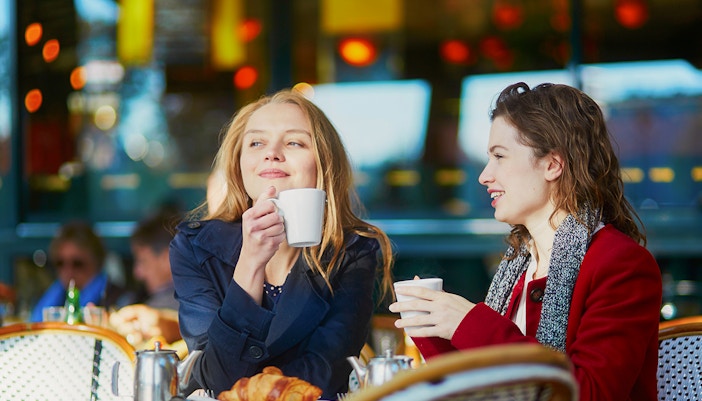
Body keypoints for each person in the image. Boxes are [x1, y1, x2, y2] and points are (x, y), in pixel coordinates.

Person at [390, 82, 662, 400]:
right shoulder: (518, 265)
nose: (484, 175)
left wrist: (470, 322)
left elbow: (590, 392)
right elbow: (479, 387)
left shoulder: (621, 264)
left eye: (499, 156)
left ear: (552, 164)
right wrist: (433, 327)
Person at [169, 89, 395, 398]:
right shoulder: (194, 247)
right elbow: (215, 377)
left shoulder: (352, 252)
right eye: (257, 142)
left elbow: (325, 374)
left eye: (294, 142)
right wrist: (250, 262)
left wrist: (252, 387)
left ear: (324, 163)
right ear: (239, 164)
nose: (271, 153)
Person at [30, 220, 131, 322]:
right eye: (60, 263)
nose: (68, 271)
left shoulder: (119, 301)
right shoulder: (53, 299)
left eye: (77, 263)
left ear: (96, 262)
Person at [109, 212, 182, 347]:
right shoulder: (137, 298)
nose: (137, 273)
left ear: (168, 258)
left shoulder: (189, 305)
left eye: (142, 261)